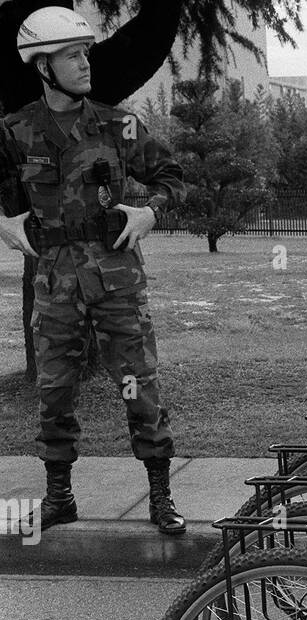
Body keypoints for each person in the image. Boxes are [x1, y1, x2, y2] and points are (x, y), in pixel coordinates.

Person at [0, 6, 186, 533]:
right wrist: (3, 223)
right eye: (72, 55)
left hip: (118, 282)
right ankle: (60, 496)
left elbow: (173, 175)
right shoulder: (14, 132)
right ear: (42, 66)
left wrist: (151, 211)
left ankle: (160, 496)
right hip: (54, 284)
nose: (86, 63)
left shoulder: (119, 125)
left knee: (137, 383)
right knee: (55, 390)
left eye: (85, 53)